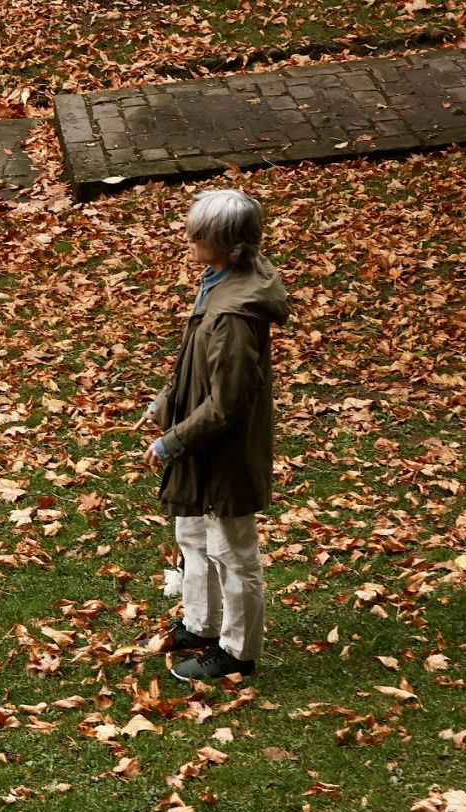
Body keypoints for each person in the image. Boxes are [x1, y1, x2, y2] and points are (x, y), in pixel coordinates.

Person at [139, 189, 290, 681]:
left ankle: (236, 652)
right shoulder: (219, 280)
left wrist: (170, 442)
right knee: (192, 531)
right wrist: (164, 403)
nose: (189, 238)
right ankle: (201, 623)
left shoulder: (234, 315)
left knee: (232, 547)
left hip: (224, 449)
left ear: (226, 242)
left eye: (200, 233)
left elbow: (227, 403)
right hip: (198, 438)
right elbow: (194, 366)